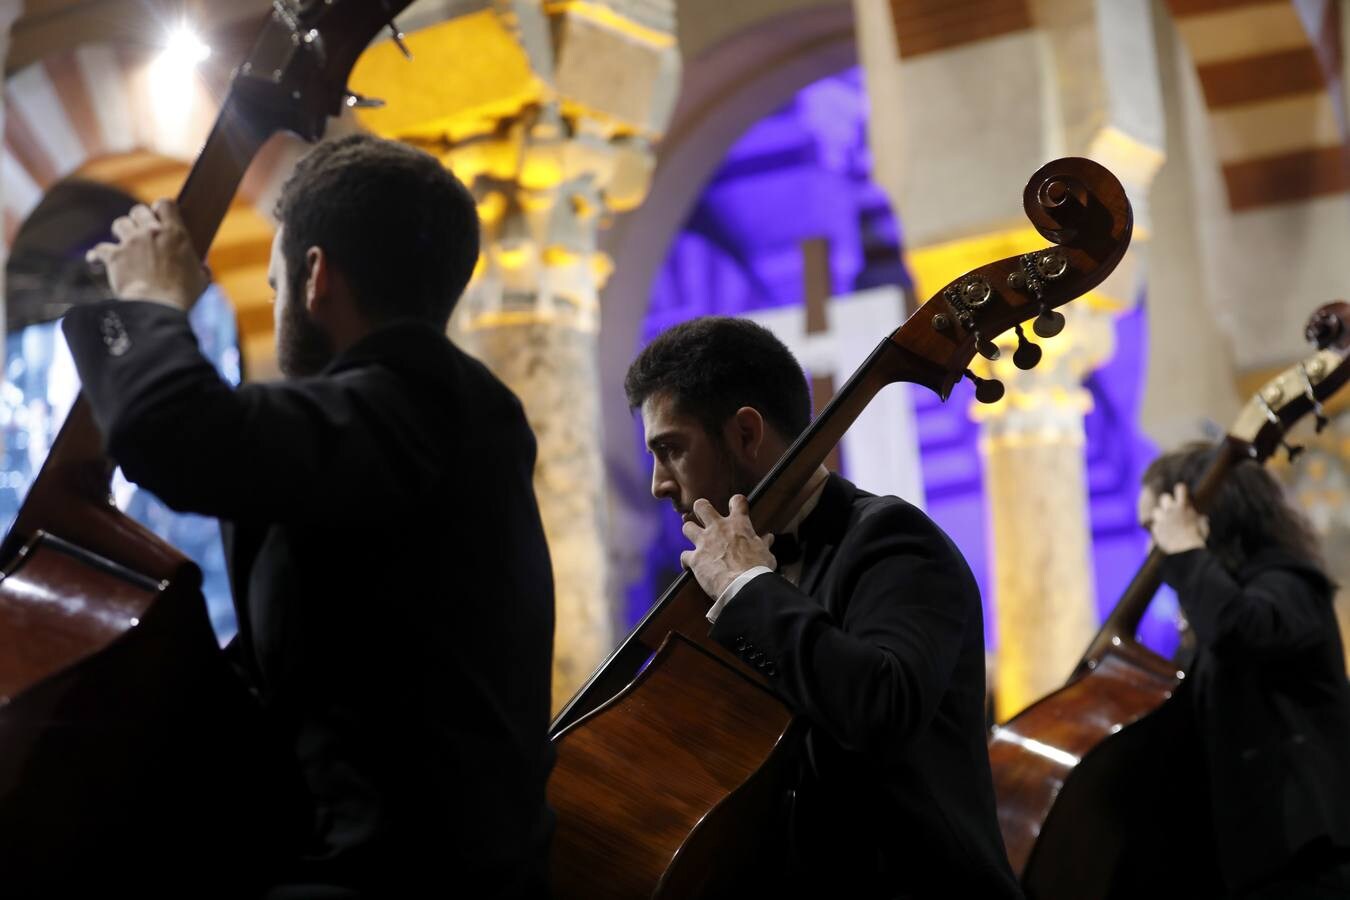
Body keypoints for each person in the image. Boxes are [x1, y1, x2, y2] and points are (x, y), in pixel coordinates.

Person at [67, 134, 556, 897]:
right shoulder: (409, 427)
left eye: (273, 281)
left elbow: (178, 433)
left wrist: (149, 302)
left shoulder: (419, 403)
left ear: (316, 276)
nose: (275, 296)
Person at [624, 315, 1023, 899]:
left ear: (745, 433)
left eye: (671, 449)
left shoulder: (894, 542)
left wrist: (747, 588)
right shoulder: (713, 588)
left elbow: (882, 707)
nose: (659, 483)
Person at [1143, 442, 1350, 899]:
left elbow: (1240, 630)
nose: (1154, 544)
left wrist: (1187, 553)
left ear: (1201, 518)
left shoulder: (1290, 586)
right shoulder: (1208, 620)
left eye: (1158, 525)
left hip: (1305, 861)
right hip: (1247, 867)